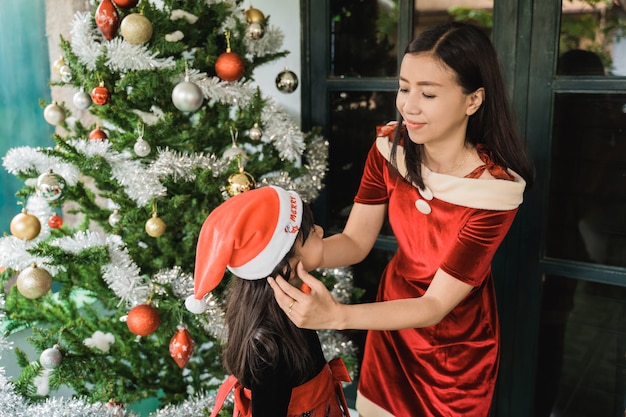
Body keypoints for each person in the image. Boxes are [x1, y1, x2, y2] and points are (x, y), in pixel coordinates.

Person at [268, 22, 534, 417]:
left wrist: (337, 315)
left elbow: (434, 304)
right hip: (390, 328)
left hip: (454, 348)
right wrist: (301, 257)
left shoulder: (493, 192)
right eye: (404, 87)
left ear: (473, 100)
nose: (408, 105)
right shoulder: (390, 151)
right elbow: (357, 241)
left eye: (428, 93)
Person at [193, 185, 352, 417]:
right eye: (309, 234)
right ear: (286, 267)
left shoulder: (287, 313)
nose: (319, 229)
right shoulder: (267, 346)